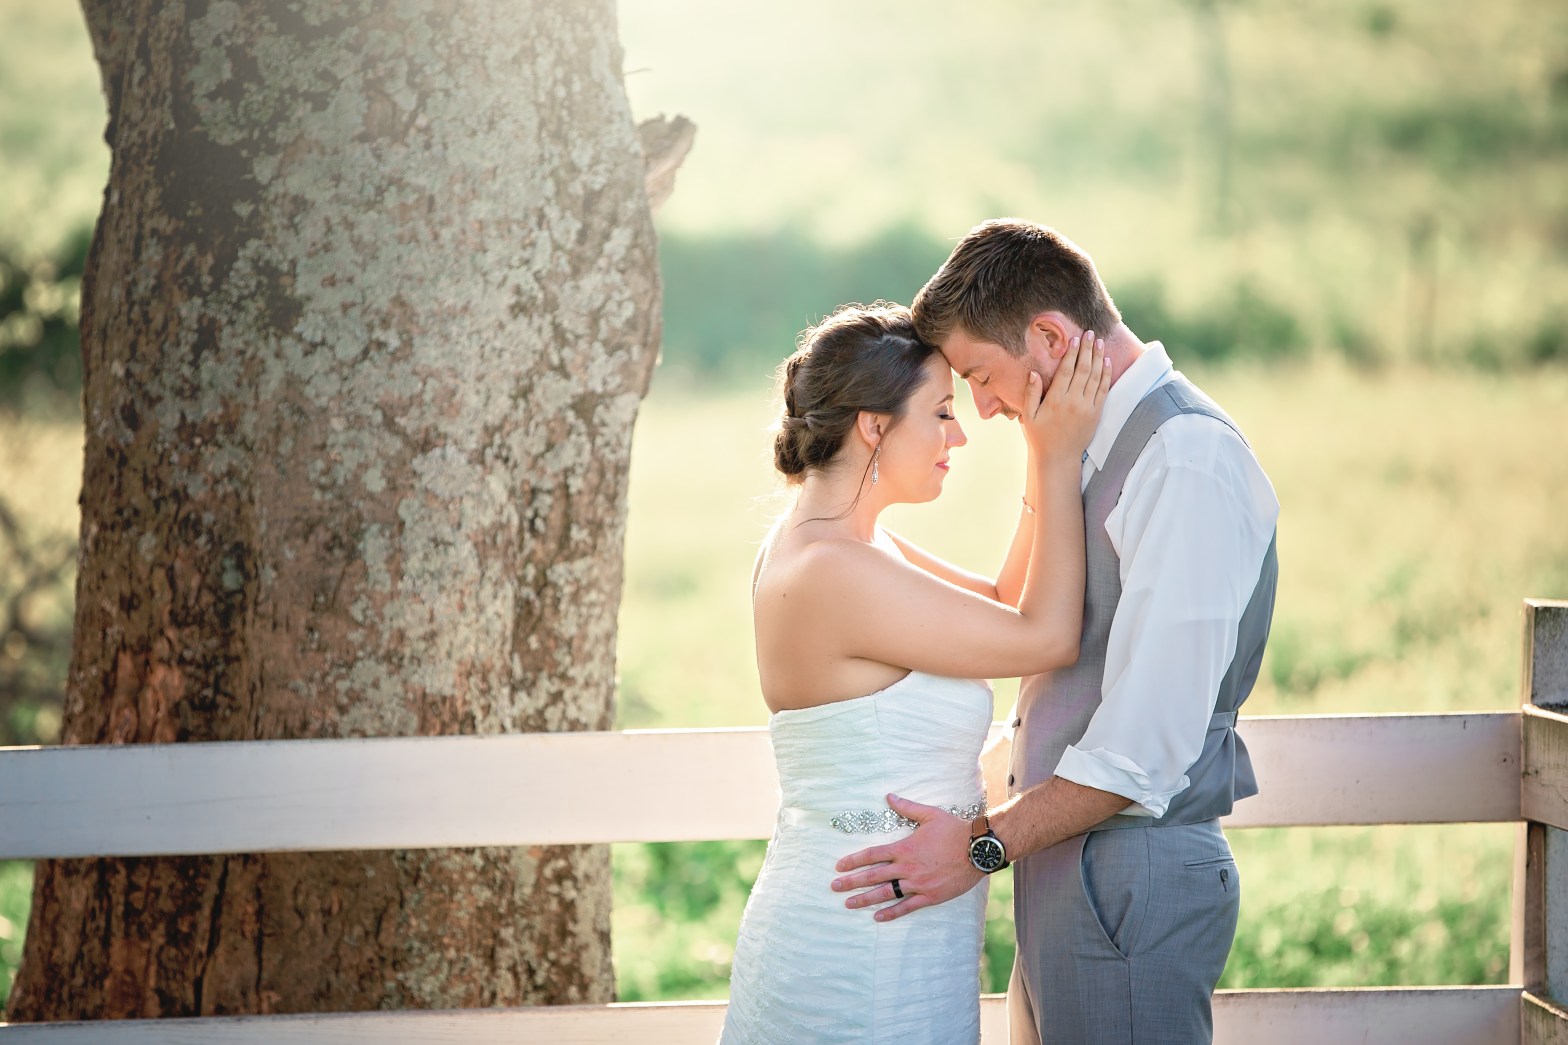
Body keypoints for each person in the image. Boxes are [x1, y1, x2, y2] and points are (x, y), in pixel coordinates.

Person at [830, 220, 1280, 1045]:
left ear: (1048, 337)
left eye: (982, 375)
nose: (986, 407)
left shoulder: (1184, 462)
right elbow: (1017, 609)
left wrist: (975, 850)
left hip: (1128, 882)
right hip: (1070, 871)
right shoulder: (1096, 452)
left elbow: (1141, 752)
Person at [720, 301, 1111, 1044]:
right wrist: (1060, 457)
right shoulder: (833, 570)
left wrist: (1037, 446)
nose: (959, 434)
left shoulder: (843, 546)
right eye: (940, 412)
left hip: (897, 922)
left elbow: (1001, 601)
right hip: (859, 945)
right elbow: (1047, 635)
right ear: (874, 424)